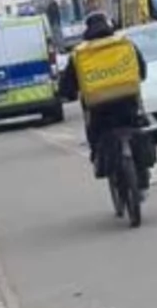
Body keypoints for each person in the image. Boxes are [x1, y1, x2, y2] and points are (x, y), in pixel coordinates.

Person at [58, 12, 150, 194]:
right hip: (127, 104)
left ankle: (103, 163)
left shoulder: (80, 53)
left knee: (97, 138)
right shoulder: (124, 44)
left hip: (99, 111)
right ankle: (143, 175)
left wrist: (67, 93)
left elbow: (67, 85)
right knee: (137, 130)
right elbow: (141, 69)